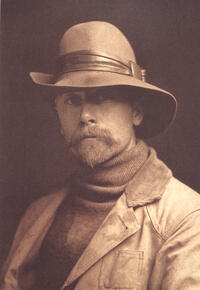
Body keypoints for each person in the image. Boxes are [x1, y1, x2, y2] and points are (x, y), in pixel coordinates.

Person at [1, 21, 200, 290]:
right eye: (72, 100)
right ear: (59, 117)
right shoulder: (37, 214)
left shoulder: (185, 217)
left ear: (136, 112)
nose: (85, 117)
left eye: (101, 98)